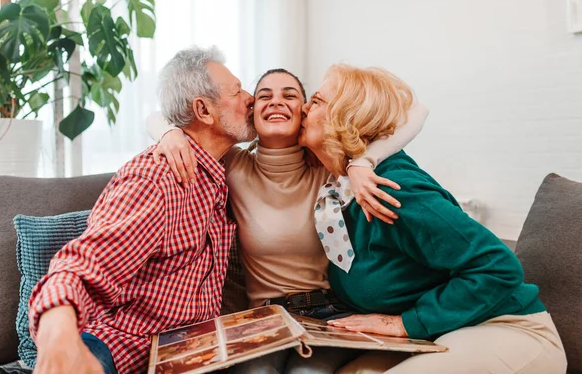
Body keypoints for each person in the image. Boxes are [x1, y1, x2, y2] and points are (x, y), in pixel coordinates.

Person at [146, 68, 429, 373]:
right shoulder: (234, 166)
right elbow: (153, 116)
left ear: (306, 112)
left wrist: (363, 161)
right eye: (264, 96)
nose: (276, 102)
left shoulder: (330, 167)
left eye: (290, 96)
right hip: (262, 318)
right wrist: (169, 132)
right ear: (253, 114)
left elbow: (418, 112)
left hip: (331, 313)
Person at [298, 63, 568, 374]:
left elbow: (499, 268)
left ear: (347, 118)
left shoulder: (396, 189)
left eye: (316, 101)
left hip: (507, 328)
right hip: (442, 333)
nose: (304, 108)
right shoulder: (339, 192)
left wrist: (404, 323)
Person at [28, 46, 257, 374]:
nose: (249, 98)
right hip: (119, 349)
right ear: (204, 110)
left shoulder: (224, 172)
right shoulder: (157, 177)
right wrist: (58, 338)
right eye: (236, 91)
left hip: (185, 352)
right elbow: (80, 267)